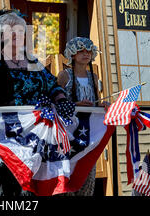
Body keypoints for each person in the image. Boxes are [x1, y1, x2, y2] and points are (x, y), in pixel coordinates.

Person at [0, 9, 71, 196]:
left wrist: (61, 99)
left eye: (20, 31)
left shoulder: (32, 61)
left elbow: (51, 85)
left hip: (33, 138)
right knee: (5, 190)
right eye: (10, 31)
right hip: (1, 138)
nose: (16, 35)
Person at [57, 36, 108, 196]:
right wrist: (76, 104)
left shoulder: (93, 77)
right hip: (69, 132)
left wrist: (100, 105)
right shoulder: (64, 75)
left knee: (87, 169)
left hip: (89, 132)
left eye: (88, 51)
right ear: (72, 54)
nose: (86, 54)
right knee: (68, 171)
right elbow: (56, 103)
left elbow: (94, 100)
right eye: (81, 51)